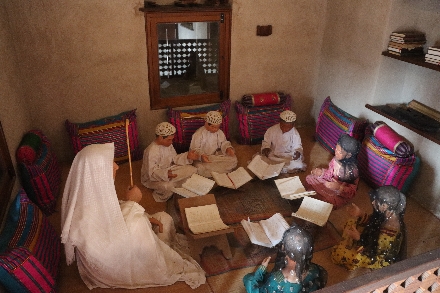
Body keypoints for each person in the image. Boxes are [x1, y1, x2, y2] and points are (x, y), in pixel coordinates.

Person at [61, 143, 206, 290]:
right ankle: (158, 254)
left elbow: (114, 211)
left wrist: (144, 215)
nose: (117, 166)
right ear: (96, 172)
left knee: (164, 218)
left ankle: (159, 247)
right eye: (110, 163)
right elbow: (108, 247)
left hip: (124, 237)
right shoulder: (82, 215)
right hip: (114, 264)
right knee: (143, 226)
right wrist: (133, 203)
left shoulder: (92, 191)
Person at [331, 185, 406, 270]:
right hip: (371, 239)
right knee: (352, 221)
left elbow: (375, 251)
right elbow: (374, 223)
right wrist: (361, 214)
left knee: (341, 253)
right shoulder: (387, 213)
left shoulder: (390, 231)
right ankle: (349, 241)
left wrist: (359, 238)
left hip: (376, 255)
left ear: (385, 206)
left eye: (376, 201)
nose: (373, 202)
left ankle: (348, 243)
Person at [243, 224, 327, 293]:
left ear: (283, 248)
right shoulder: (315, 269)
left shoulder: (276, 280)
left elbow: (257, 289)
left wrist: (261, 269)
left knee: (248, 278)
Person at [141, 122, 199, 202]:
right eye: (169, 140)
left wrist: (187, 156)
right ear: (161, 138)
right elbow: (150, 173)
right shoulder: (151, 151)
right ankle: (163, 193)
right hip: (153, 178)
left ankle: (177, 186)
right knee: (168, 186)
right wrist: (165, 174)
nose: (171, 142)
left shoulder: (168, 145)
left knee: (192, 169)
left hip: (170, 169)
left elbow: (174, 159)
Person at [306, 133, 360, 209]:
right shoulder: (335, 160)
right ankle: (316, 194)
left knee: (329, 201)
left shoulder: (352, 171)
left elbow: (351, 192)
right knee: (309, 178)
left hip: (340, 192)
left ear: (348, 155)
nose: (336, 152)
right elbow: (329, 173)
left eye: (340, 152)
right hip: (330, 182)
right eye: (336, 149)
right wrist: (321, 173)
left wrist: (339, 187)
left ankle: (317, 196)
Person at [189, 110, 237, 177]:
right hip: (202, 159)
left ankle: (214, 171)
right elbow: (194, 149)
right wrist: (201, 156)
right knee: (200, 168)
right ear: (206, 123)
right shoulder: (198, 134)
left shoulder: (219, 132)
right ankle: (217, 171)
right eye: (213, 127)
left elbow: (223, 143)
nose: (215, 129)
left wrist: (227, 148)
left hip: (215, 156)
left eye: (217, 127)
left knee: (233, 159)